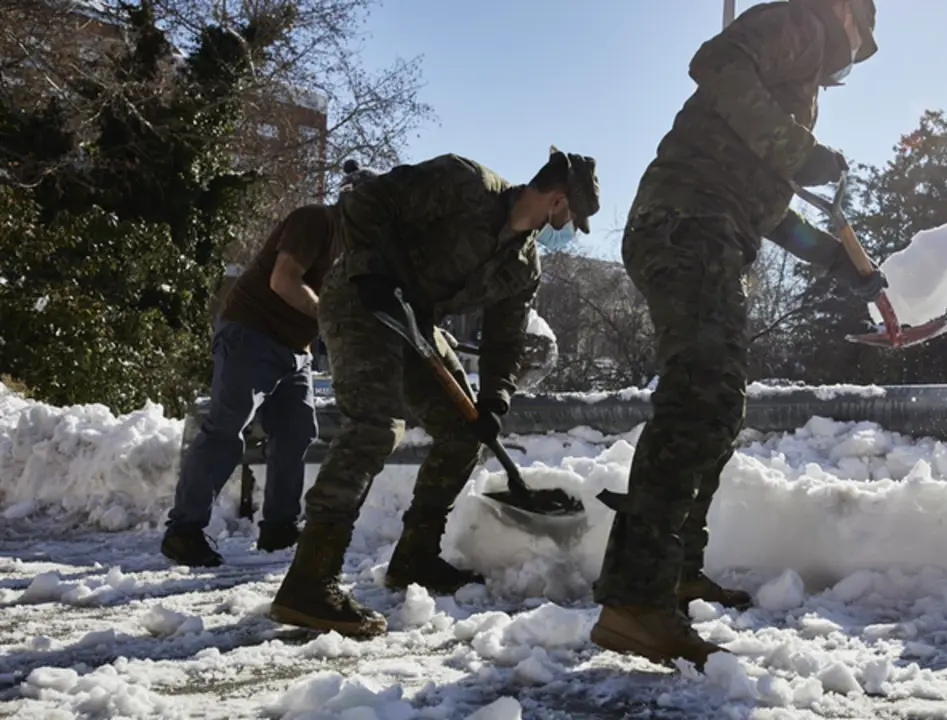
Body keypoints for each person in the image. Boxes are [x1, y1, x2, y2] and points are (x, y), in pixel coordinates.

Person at [589, 0, 887, 667]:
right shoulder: (796, 25)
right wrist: (798, 150)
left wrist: (840, 263)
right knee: (700, 397)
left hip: (710, 227)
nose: (851, 50)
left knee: (718, 405)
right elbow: (714, 61)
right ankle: (635, 601)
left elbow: (774, 211)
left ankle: (673, 573)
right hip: (688, 221)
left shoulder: (798, 84)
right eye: (857, 31)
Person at [266, 148, 600, 638]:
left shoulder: (524, 265)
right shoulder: (464, 183)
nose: (567, 229)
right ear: (556, 201)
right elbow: (367, 200)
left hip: (416, 323)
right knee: (375, 428)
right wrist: (370, 268)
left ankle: (415, 557)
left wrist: (494, 401)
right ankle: (309, 581)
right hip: (362, 299)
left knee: (465, 433)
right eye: (571, 218)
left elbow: (505, 341)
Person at [160, 161, 375, 567]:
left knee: (297, 431)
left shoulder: (354, 250)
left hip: (295, 351)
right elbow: (284, 280)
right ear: (351, 200)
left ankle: (279, 527)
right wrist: (330, 317)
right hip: (250, 334)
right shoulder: (315, 221)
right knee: (227, 427)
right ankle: (183, 531)